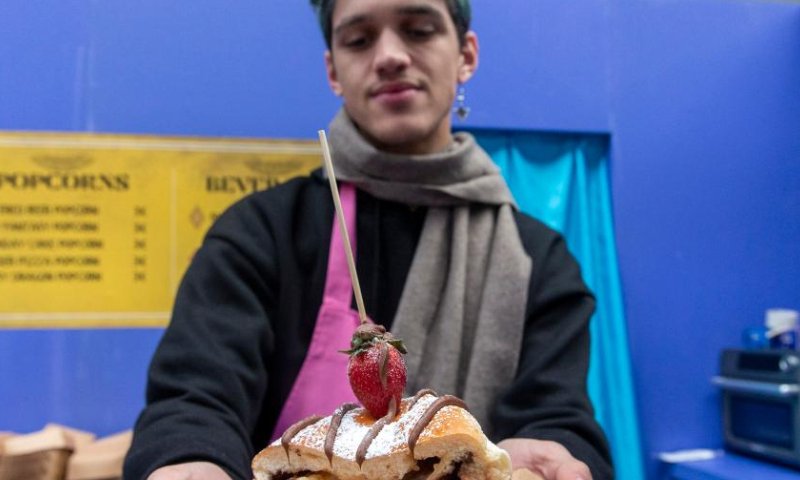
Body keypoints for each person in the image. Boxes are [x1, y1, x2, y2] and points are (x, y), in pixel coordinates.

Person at [123, 1, 614, 479]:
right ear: (334, 70)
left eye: (419, 29)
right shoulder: (261, 233)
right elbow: (195, 397)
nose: (390, 55)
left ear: (466, 55)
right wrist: (191, 458)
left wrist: (554, 447)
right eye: (359, 39)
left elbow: (556, 410)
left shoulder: (539, 260)